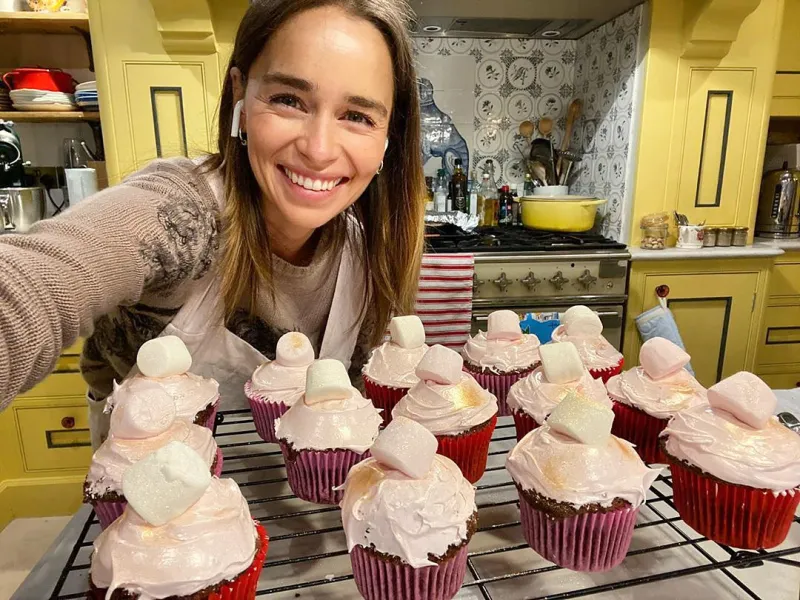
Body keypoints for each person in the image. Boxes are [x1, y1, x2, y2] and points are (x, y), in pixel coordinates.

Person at [0, 0, 425, 447]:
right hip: (154, 508)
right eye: (288, 100)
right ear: (240, 93)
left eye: (357, 116)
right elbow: (29, 289)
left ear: (388, 137)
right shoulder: (181, 215)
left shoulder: (368, 250)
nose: (318, 150)